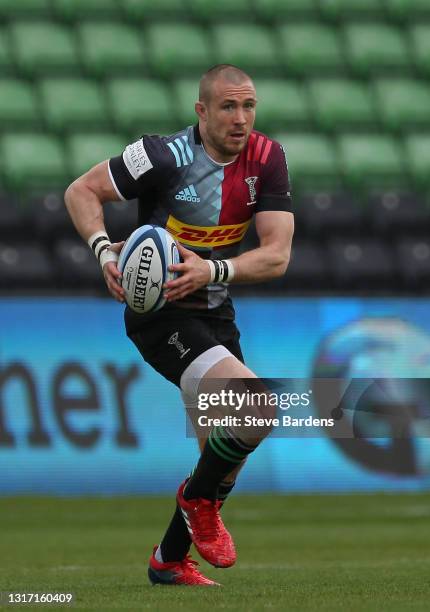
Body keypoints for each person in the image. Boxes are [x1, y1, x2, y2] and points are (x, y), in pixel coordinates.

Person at [65, 64, 294, 586]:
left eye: (249, 107)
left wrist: (212, 270)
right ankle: (194, 500)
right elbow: (81, 191)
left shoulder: (268, 158)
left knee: (225, 459)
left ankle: (168, 559)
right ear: (201, 111)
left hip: (216, 311)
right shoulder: (163, 155)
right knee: (256, 406)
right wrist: (104, 253)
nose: (241, 119)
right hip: (160, 313)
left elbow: (277, 256)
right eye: (228, 107)